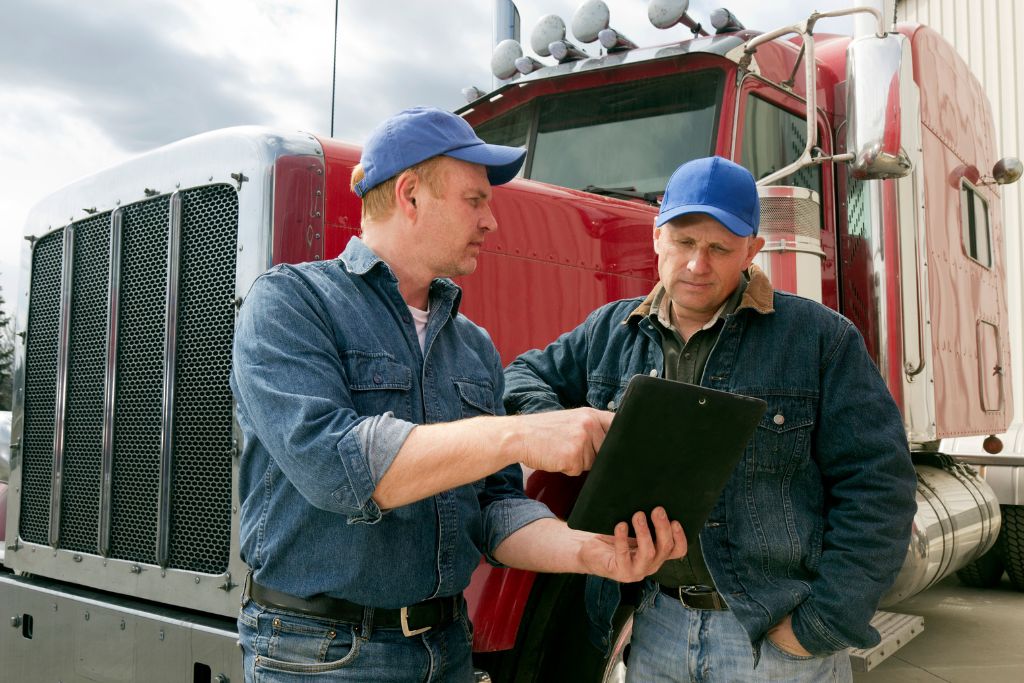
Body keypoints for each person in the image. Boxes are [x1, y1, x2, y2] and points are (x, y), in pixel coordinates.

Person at [229, 106, 686, 682]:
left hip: (446, 648)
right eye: (476, 200)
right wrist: (520, 433)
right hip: (322, 655)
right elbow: (336, 469)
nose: (492, 221)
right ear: (411, 195)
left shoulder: (470, 344)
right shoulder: (292, 304)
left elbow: (492, 509)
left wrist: (588, 553)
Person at [504, 156, 918, 682]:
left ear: (752, 250)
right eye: (683, 242)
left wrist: (821, 625)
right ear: (657, 238)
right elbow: (519, 377)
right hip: (653, 627)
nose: (698, 264)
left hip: (771, 640)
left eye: (719, 248)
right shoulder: (609, 331)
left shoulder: (819, 340)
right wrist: (560, 426)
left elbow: (879, 487)